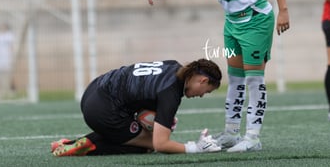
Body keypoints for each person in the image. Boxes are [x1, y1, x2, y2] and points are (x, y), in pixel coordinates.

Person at [148, 0, 290, 152]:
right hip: (232, 24)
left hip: (255, 21)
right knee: (235, 79)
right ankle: (232, 133)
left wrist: (283, 10)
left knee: (254, 79)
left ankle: (253, 137)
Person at [51, 58, 222, 156]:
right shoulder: (171, 92)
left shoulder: (172, 65)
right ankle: (88, 147)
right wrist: (195, 148)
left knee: (135, 132)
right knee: (148, 145)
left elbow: (143, 90)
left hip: (94, 90)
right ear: (203, 80)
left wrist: (160, 117)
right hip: (102, 109)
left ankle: (68, 143)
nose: (201, 95)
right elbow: (161, 144)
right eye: (205, 91)